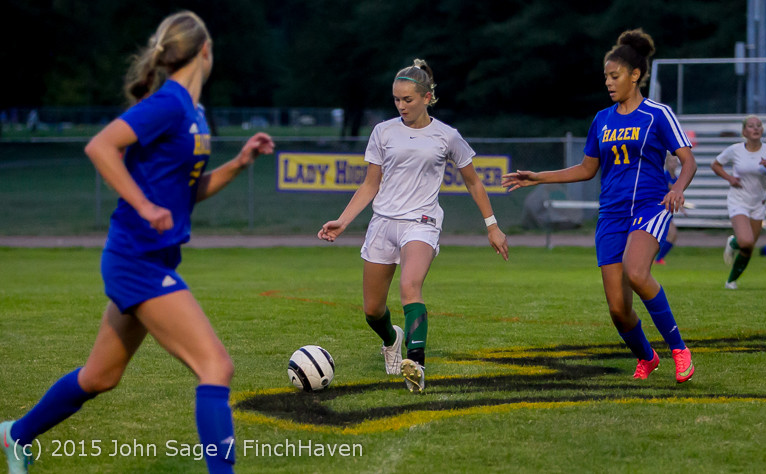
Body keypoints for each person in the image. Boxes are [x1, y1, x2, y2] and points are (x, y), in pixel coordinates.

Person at [1, 11, 274, 474]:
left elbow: (186, 191)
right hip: (136, 258)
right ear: (206, 50)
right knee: (216, 368)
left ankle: (14, 435)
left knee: (100, 376)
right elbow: (101, 147)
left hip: (152, 255)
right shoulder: (168, 103)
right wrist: (144, 206)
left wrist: (239, 163)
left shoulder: (195, 112)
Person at [502, 29, 697, 384]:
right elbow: (587, 169)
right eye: (606, 77)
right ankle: (647, 357)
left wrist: (678, 189)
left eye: (614, 76)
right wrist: (538, 177)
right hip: (611, 215)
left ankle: (679, 350)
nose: (608, 82)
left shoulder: (657, 114)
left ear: (635, 75)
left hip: (649, 207)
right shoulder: (602, 120)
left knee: (637, 272)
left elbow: (688, 161)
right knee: (619, 311)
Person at [318, 59, 509, 393]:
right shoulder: (383, 132)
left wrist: (492, 226)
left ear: (426, 97)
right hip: (383, 223)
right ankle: (392, 340)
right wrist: (343, 221)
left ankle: (416, 364)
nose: (401, 106)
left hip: (422, 221)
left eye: (407, 99)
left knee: (410, 287)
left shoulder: (447, 136)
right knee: (372, 310)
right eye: (396, 99)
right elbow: (369, 184)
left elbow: (474, 183)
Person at [711, 115, 766, 289]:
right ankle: (733, 242)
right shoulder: (735, 149)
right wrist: (730, 178)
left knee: (748, 248)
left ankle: (731, 281)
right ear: (744, 131)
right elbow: (715, 164)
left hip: (758, 203)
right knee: (746, 241)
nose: (756, 128)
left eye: (759, 125)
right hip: (738, 201)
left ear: (762, 130)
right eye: (751, 126)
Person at [654, 153, 680, 264]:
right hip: (660, 209)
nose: (673, 164)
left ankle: (658, 258)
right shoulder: (664, 176)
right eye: (671, 161)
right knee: (671, 234)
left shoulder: (677, 178)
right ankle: (657, 259)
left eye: (675, 161)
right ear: (666, 163)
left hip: (668, 210)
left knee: (672, 236)